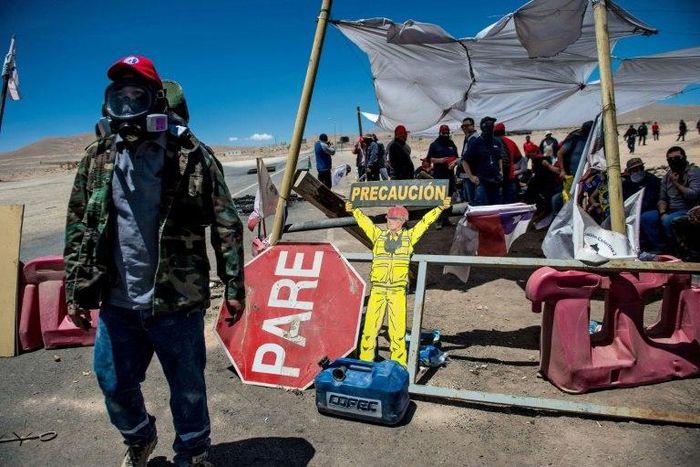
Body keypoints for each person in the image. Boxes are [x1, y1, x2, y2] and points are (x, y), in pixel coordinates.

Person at [64, 55, 245, 467]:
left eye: (137, 95)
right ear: (109, 104)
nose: (128, 105)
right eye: (120, 96)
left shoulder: (191, 156)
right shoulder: (97, 157)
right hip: (117, 302)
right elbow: (78, 225)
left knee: (188, 388)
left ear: (156, 100)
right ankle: (140, 436)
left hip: (176, 301)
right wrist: (75, 290)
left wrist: (234, 286)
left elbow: (226, 223)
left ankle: (193, 453)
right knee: (113, 382)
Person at [345, 200, 449, 366]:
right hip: (378, 289)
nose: (389, 222)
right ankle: (366, 364)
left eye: (393, 219)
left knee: (397, 332)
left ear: (402, 221)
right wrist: (354, 211)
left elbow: (424, 222)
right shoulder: (378, 236)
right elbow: (365, 223)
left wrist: (439, 208)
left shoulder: (409, 237)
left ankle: (398, 367)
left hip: (397, 291)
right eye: (388, 218)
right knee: (370, 331)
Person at [640, 146, 700, 253]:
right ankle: (662, 247)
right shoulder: (667, 176)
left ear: (684, 157)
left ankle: (677, 249)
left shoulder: (693, 172)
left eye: (676, 158)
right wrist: (662, 212)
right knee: (647, 217)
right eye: (670, 159)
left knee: (669, 221)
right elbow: (662, 198)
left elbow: (693, 195)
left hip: (688, 209)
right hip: (670, 209)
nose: (673, 161)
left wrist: (676, 183)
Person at [462, 117, 503, 206]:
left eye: (492, 126)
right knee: (482, 210)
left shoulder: (496, 142)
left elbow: (499, 157)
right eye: (489, 127)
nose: (491, 129)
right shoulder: (476, 143)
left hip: (496, 182)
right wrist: (471, 177)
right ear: (483, 128)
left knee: (496, 209)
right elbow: (464, 160)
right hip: (482, 183)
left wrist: (501, 171)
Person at [427, 124, 459, 226]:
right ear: (440, 133)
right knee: (439, 198)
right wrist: (440, 160)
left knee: (448, 199)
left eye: (447, 133)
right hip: (439, 176)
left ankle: (446, 219)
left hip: (450, 175)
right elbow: (430, 159)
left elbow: (456, 157)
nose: (445, 135)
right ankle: (438, 220)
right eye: (443, 133)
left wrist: (453, 163)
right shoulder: (434, 145)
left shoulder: (451, 143)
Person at [494, 122, 521, 203]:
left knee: (498, 205)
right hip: (510, 177)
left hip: (495, 179)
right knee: (510, 204)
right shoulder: (511, 142)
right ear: (504, 131)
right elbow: (518, 157)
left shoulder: (491, 142)